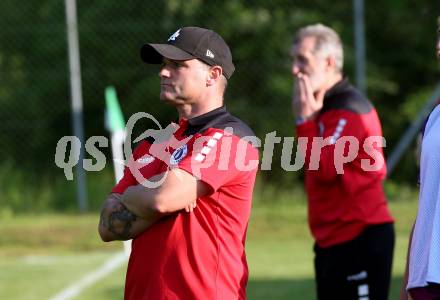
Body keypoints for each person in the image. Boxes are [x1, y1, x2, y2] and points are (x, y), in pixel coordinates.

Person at [98, 26, 259, 300]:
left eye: (177, 65)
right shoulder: (151, 144)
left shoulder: (231, 138)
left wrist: (137, 196)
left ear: (213, 74)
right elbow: (107, 225)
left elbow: (162, 199)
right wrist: (152, 195)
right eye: (163, 65)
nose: (163, 72)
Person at [291, 23, 395, 300]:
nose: (295, 69)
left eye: (302, 60)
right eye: (294, 60)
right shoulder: (322, 110)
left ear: (328, 62)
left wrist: (304, 122)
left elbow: (325, 168)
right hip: (332, 241)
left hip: (359, 237)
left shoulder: (349, 110)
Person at [401, 17, 440, 300]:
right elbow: (425, 207)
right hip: (425, 283)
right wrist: (408, 283)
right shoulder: (434, 119)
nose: (438, 46)